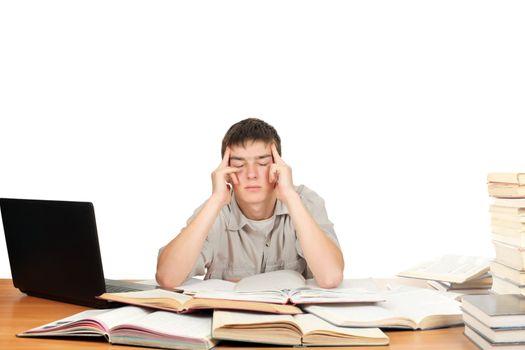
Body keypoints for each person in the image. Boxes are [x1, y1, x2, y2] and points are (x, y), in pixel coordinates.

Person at [156, 118, 344, 289]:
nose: (251, 174)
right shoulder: (214, 211)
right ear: (226, 171)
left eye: (262, 163)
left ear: (279, 167)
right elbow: (167, 278)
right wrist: (216, 200)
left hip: (289, 323)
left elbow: (331, 277)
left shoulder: (305, 203)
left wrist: (289, 195)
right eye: (239, 165)